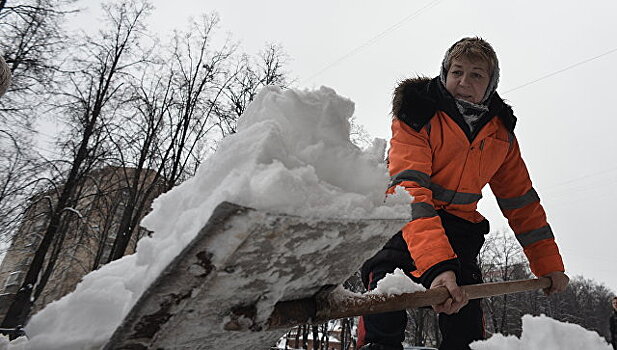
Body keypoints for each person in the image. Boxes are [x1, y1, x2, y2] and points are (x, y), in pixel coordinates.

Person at [357, 37, 569, 350]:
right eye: (457, 72)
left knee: (466, 326)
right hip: (403, 222)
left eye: (476, 75)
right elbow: (410, 189)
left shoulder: (500, 134)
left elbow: (522, 203)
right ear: (445, 74)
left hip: (459, 233)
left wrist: (549, 265)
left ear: (491, 84)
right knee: (386, 296)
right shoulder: (417, 114)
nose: (463, 82)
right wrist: (438, 267)